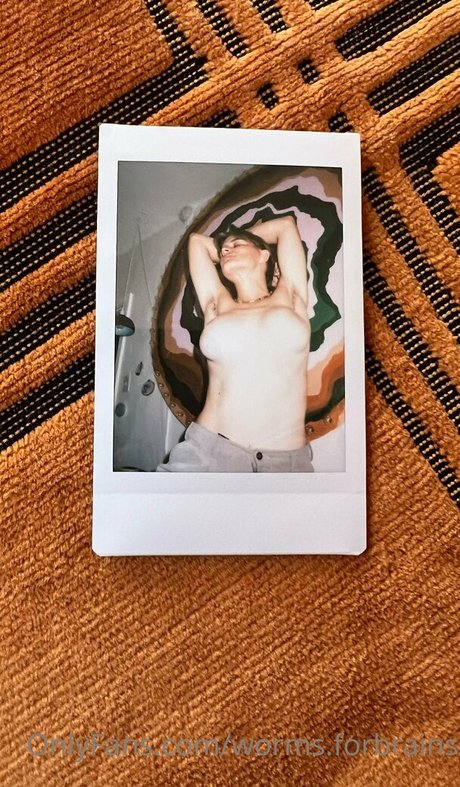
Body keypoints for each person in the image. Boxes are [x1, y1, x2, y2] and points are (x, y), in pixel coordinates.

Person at [156, 214, 313, 472]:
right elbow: (197, 242)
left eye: (236, 245)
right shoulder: (218, 305)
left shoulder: (290, 294)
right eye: (223, 250)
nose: (227, 250)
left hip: (285, 465)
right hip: (208, 454)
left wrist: (237, 240)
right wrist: (235, 244)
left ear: (264, 255)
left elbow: (285, 226)